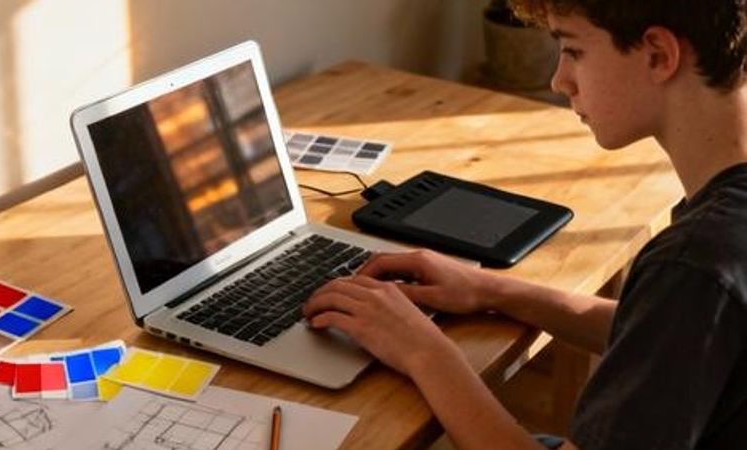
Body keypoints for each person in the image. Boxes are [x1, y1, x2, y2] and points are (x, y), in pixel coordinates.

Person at [303, 0, 747, 449]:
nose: (560, 80)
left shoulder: (695, 261)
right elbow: (665, 339)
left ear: (657, 54)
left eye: (573, 51)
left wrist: (422, 350)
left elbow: (677, 310)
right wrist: (492, 291)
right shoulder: (716, 236)